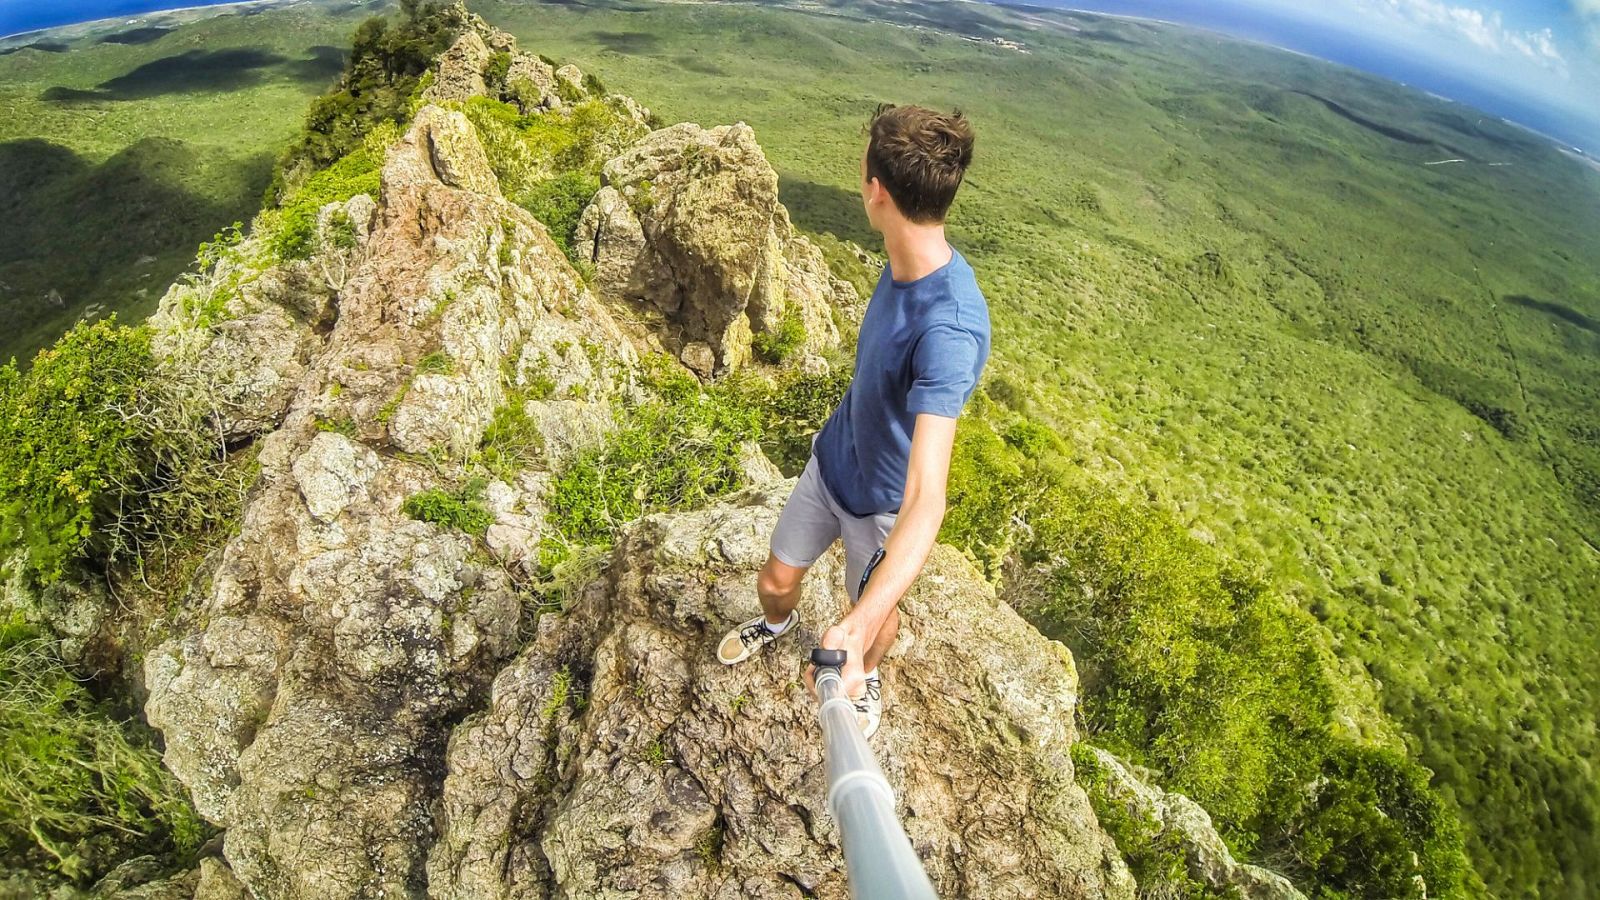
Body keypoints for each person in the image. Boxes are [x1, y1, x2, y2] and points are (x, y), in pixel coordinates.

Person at [716, 103, 990, 738]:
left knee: (874, 612)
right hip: (831, 464)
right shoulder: (903, 258)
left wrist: (860, 624)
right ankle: (777, 626)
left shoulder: (950, 327)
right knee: (775, 582)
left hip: (883, 508)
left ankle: (868, 676)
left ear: (877, 191)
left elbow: (928, 497)